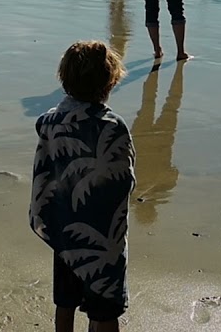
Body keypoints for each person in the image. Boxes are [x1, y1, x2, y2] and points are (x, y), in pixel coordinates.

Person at [29, 40, 134, 332]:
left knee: (65, 303)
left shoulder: (50, 124)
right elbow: (124, 180)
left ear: (64, 80)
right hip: (102, 236)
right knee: (104, 308)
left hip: (65, 232)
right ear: (110, 82)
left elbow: (44, 172)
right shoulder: (113, 126)